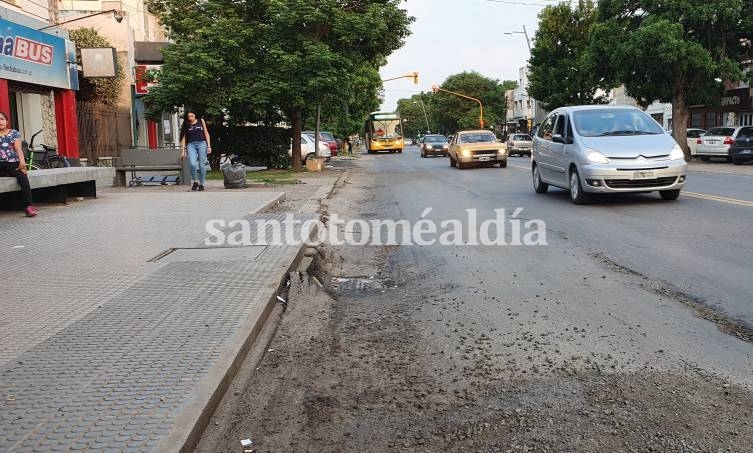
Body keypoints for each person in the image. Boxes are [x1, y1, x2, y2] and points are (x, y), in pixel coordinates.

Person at [0, 112, 37, 217]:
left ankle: (29, 206)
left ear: (7, 121)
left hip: (13, 163)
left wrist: (22, 163)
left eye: (2, 119)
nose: (0, 121)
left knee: (23, 179)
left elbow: (18, 149)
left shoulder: (14, 133)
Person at [179, 110, 212, 191]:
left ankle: (201, 184)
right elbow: (183, 138)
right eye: (189, 116)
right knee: (193, 164)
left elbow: (206, 133)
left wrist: (209, 145)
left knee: (201, 165)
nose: (190, 118)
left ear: (195, 115)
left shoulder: (201, 121)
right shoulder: (186, 124)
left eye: (192, 116)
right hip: (191, 145)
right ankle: (195, 181)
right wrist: (183, 151)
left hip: (202, 144)